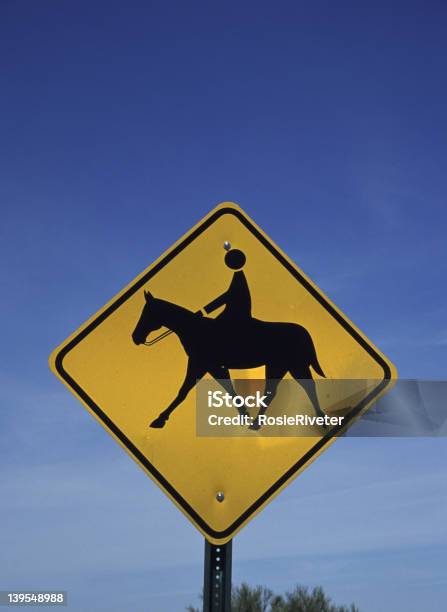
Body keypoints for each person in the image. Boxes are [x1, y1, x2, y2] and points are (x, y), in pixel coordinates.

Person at [201, 249, 252, 324]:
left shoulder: (239, 278)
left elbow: (227, 296)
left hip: (235, 315)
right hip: (234, 313)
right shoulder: (238, 276)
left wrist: (204, 311)